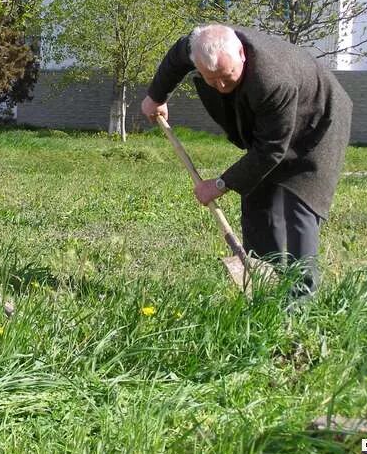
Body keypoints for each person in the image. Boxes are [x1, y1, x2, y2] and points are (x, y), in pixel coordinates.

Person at [142, 24, 352, 297]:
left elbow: (271, 151)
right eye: (211, 79)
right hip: (274, 123)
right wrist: (156, 96)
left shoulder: (272, 79)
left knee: (299, 207)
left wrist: (219, 184)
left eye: (226, 77)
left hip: (319, 121)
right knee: (256, 196)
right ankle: (266, 282)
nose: (221, 86)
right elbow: (174, 60)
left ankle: (299, 301)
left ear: (241, 53)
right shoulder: (197, 46)